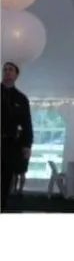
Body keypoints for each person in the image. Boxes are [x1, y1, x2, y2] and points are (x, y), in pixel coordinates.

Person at [1, 62, 33, 212]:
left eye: (10, 70)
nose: (7, 72)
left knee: (6, 178)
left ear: (16, 75)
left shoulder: (21, 99)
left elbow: (27, 123)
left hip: (10, 145)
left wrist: (27, 145)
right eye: (5, 69)